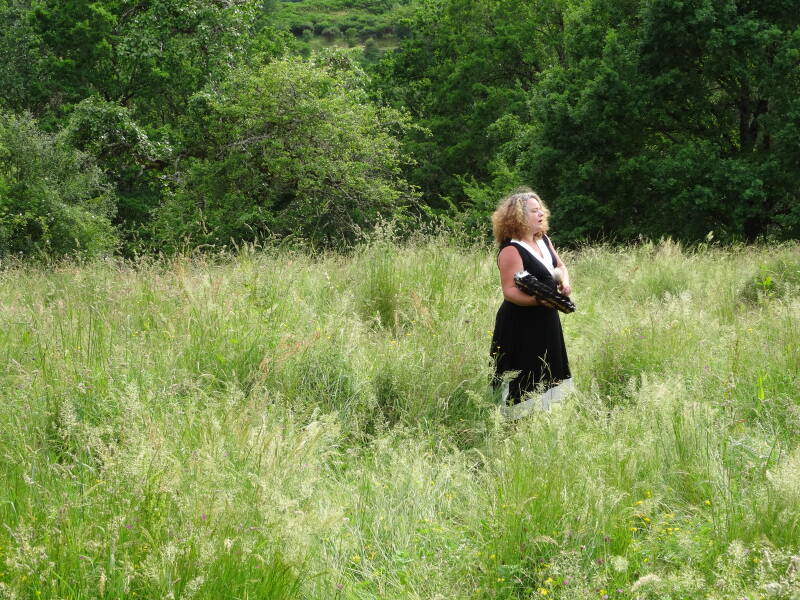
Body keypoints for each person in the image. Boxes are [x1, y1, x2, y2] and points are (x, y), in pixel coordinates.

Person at [490, 187, 573, 419]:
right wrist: (539, 300)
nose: (541, 214)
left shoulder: (544, 240)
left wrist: (564, 284)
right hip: (520, 323)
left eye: (541, 210)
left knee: (546, 369)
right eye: (534, 211)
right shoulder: (511, 249)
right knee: (523, 373)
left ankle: (541, 420)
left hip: (546, 318)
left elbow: (560, 267)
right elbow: (510, 292)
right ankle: (514, 424)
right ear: (518, 216)